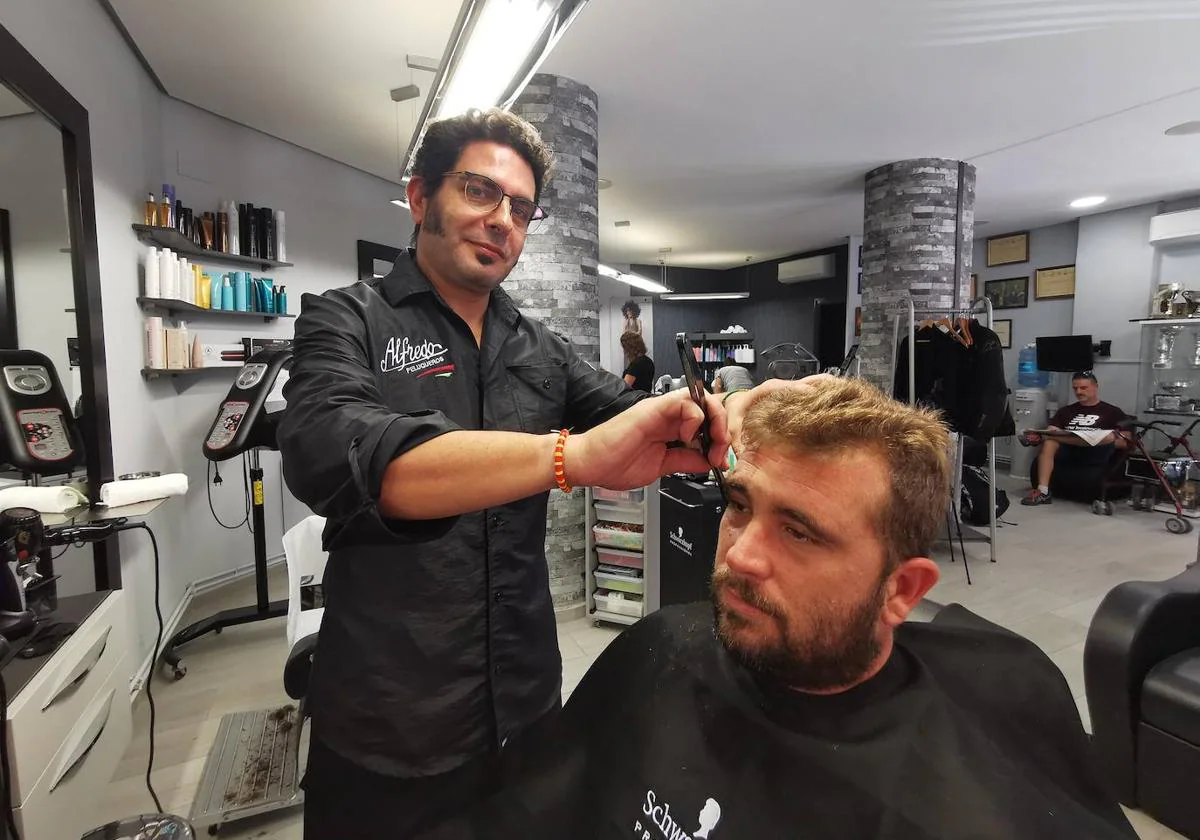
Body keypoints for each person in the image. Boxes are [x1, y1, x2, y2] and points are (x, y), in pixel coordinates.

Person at [276, 107, 730, 840]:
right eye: (480, 192)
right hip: (388, 722)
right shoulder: (346, 321)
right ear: (421, 198)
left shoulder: (538, 347)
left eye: (519, 208)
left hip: (523, 705)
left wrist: (722, 411)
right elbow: (334, 449)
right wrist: (567, 458)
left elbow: (632, 411)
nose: (502, 221)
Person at [421, 376, 1136, 840]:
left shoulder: (975, 791)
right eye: (739, 506)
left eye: (800, 530)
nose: (739, 556)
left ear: (903, 590)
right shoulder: (661, 647)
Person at [1021, 370, 1128, 506]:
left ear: (1095, 386)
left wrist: (1109, 441)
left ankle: (1045, 438)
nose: (1078, 392)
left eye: (1083, 388)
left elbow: (1126, 440)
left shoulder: (1112, 412)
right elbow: (1052, 430)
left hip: (1096, 452)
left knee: (1108, 436)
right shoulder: (1065, 411)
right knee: (1050, 441)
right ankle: (1043, 492)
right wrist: (1048, 433)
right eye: (1075, 388)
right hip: (1069, 451)